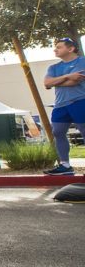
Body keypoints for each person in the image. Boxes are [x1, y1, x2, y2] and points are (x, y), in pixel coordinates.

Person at [43, 36, 85, 176]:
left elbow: (75, 81)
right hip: (60, 105)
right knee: (57, 132)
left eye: (59, 47)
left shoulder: (82, 61)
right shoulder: (53, 67)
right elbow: (47, 84)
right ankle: (65, 166)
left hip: (80, 101)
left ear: (71, 48)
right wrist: (68, 76)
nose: (55, 49)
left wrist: (57, 81)